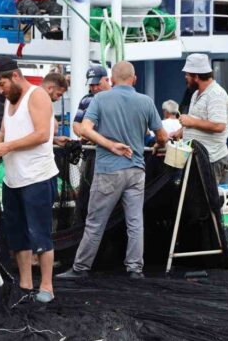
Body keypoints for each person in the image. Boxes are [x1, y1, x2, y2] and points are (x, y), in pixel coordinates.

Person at [58, 62, 167, 280]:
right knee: (135, 222)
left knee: (95, 222)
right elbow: (162, 136)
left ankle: (80, 268)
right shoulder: (145, 101)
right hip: (136, 170)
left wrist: (108, 145)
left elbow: (85, 129)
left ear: (112, 80)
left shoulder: (100, 99)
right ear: (134, 79)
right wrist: (157, 145)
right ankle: (135, 269)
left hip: (108, 170)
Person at [0, 56, 59, 303]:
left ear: (15, 76)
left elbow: (42, 134)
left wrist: (8, 147)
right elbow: (4, 132)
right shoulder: (9, 100)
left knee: (41, 234)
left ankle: (47, 285)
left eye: (1, 83)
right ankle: (26, 283)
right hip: (13, 179)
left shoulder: (37, 96)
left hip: (37, 177)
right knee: (17, 236)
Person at [176, 53, 228, 184]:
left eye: (187, 75)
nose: (185, 77)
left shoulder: (215, 94)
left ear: (196, 77)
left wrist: (191, 121)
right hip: (196, 157)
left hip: (211, 159)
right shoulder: (196, 94)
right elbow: (197, 122)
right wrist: (180, 133)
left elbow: (219, 126)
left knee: (207, 201)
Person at [73, 65, 111, 139]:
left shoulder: (117, 97)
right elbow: (76, 123)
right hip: (90, 148)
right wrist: (84, 135)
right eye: (91, 85)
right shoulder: (85, 100)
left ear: (107, 80)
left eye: (97, 84)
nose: (95, 88)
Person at [42, 72, 71, 145]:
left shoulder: (46, 103)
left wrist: (55, 140)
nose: (58, 99)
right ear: (49, 88)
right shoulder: (34, 101)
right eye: (58, 94)